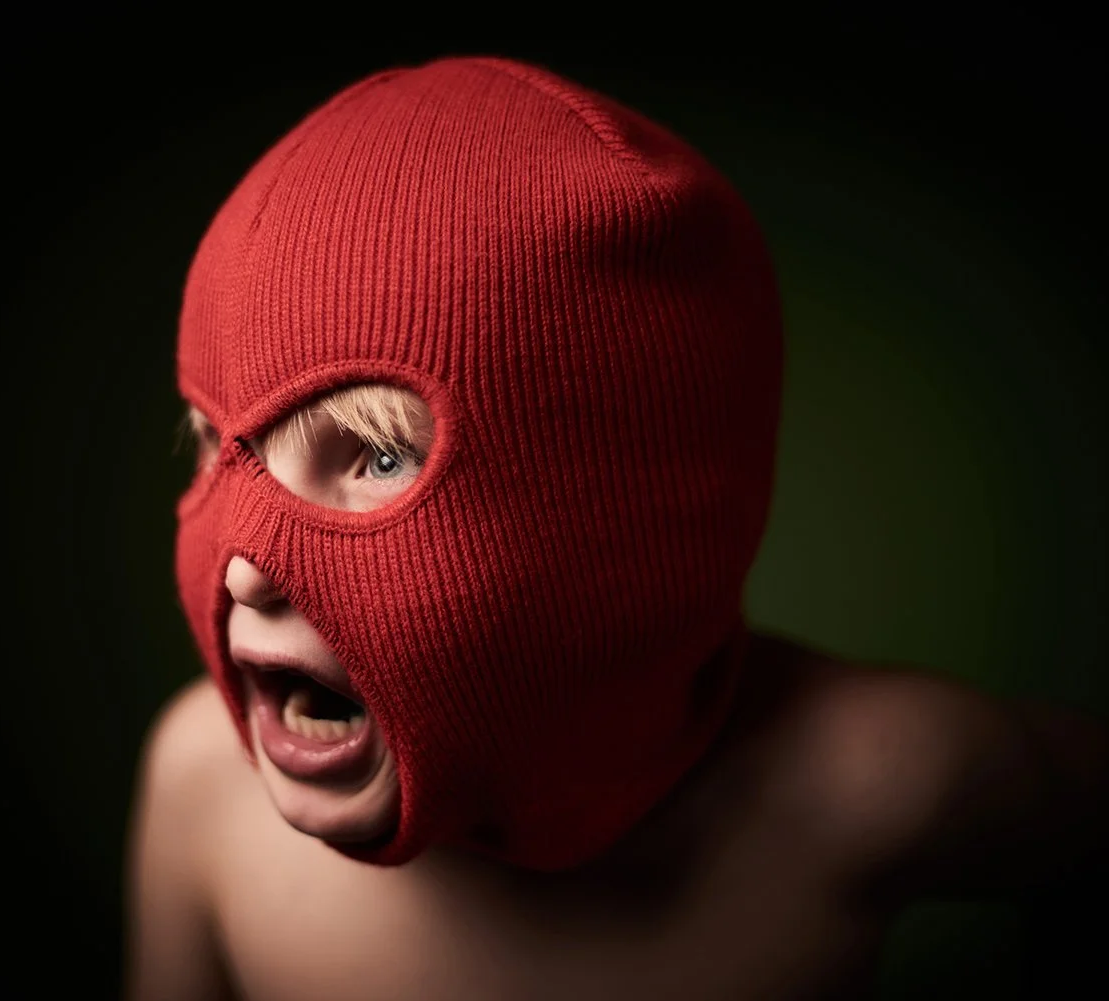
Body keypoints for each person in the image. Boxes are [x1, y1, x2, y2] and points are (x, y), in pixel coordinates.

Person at [124, 54, 1108, 1000]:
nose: (249, 563)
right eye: (216, 443)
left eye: (380, 456)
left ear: (617, 524)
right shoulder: (204, 788)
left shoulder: (870, 779)